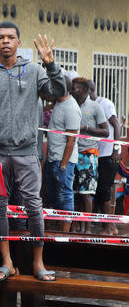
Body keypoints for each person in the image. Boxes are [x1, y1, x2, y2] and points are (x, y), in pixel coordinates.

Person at [0, 21, 66, 282]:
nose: (5, 41)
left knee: (34, 207)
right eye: (0, 37)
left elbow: (58, 91)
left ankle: (38, 263)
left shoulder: (34, 70)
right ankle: (6, 262)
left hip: (27, 152)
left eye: (10, 37)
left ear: (18, 42)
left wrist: (51, 65)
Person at [44, 71, 82, 232]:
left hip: (63, 161)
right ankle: (55, 228)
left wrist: (64, 164)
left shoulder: (72, 108)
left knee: (66, 194)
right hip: (53, 158)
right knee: (52, 195)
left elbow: (71, 140)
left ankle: (65, 232)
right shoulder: (59, 102)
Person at [71, 77, 108, 234]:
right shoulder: (71, 105)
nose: (73, 91)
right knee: (75, 193)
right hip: (72, 153)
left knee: (86, 193)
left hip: (88, 154)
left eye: (77, 88)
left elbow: (106, 131)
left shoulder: (95, 107)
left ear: (85, 91)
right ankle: (76, 225)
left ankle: (87, 228)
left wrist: (86, 128)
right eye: (72, 88)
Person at [88, 80, 121, 235]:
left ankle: (109, 227)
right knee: (100, 191)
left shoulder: (104, 103)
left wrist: (115, 149)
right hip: (99, 154)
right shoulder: (91, 106)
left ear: (90, 90)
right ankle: (109, 226)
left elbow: (117, 125)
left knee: (104, 190)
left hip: (109, 155)